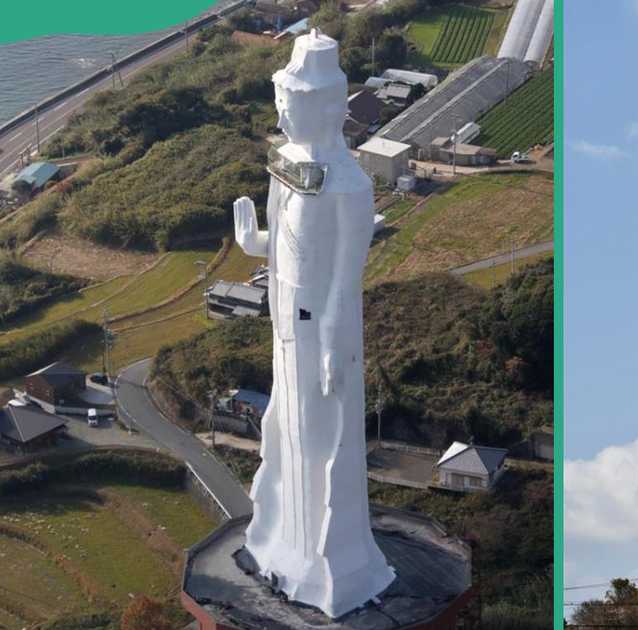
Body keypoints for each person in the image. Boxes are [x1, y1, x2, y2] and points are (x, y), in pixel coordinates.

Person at [232, 29, 395, 618]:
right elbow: (284, 244)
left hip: (324, 332)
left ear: (327, 107)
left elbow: (346, 276)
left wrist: (331, 339)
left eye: (291, 106)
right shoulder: (288, 163)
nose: (282, 117)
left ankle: (328, 557)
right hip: (285, 324)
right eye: (280, 105)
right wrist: (254, 241)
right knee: (287, 431)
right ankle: (283, 541)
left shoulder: (350, 184)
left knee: (324, 441)